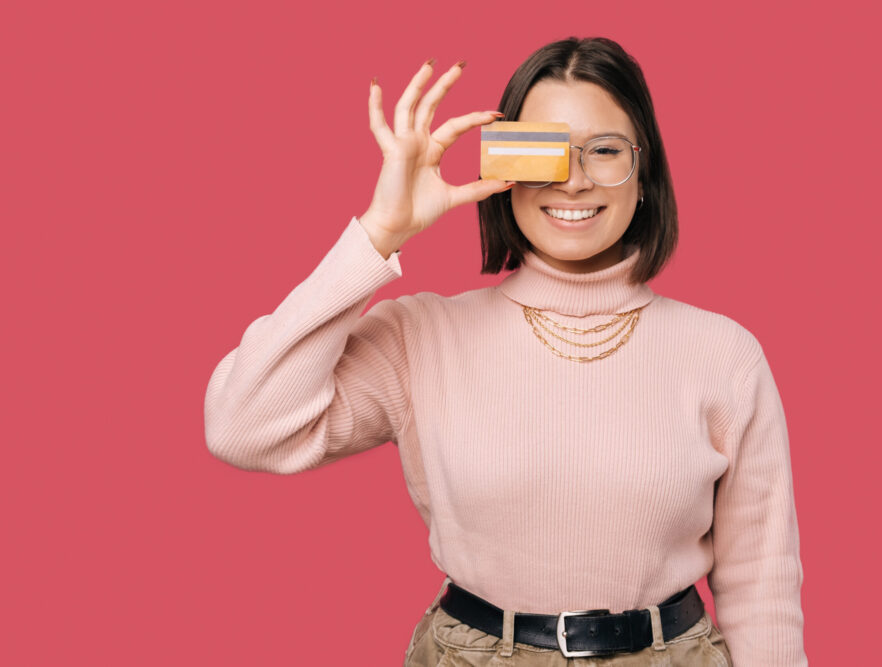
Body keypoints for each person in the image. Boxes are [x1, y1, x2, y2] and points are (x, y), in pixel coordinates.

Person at [203, 36, 807, 666]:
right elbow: (244, 426)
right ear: (503, 168)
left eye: (603, 151)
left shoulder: (724, 355)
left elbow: (762, 586)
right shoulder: (423, 336)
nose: (573, 181)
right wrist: (379, 233)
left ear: (643, 171)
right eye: (545, 153)